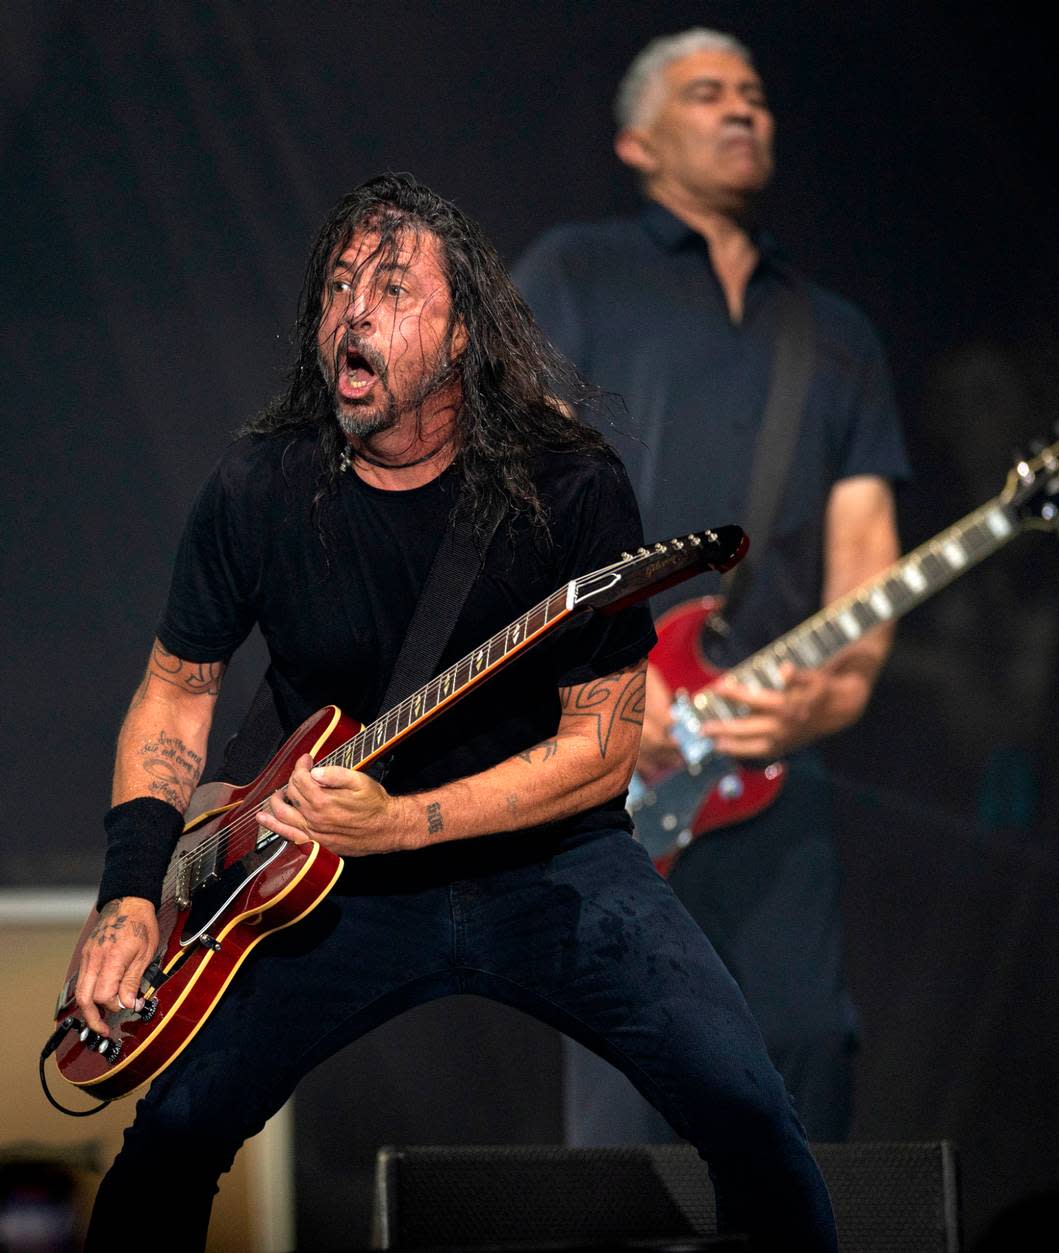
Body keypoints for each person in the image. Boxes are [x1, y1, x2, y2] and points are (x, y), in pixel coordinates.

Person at [73, 172, 836, 1250]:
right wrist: (128, 891)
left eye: (390, 288)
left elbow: (602, 747)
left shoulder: (568, 487)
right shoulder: (261, 485)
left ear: (464, 331)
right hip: (324, 880)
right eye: (338, 287)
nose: (352, 312)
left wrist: (405, 821)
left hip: (553, 863)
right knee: (173, 1138)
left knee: (750, 1110)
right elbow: (178, 684)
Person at [513, 29, 909, 1143]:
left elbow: (865, 526)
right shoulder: (574, 271)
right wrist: (595, 695)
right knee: (632, 1059)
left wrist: (845, 684)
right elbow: (517, 496)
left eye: (754, 93)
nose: (742, 108)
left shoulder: (832, 331)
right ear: (637, 140)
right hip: (612, 746)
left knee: (805, 1050)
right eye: (706, 94)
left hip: (775, 749)